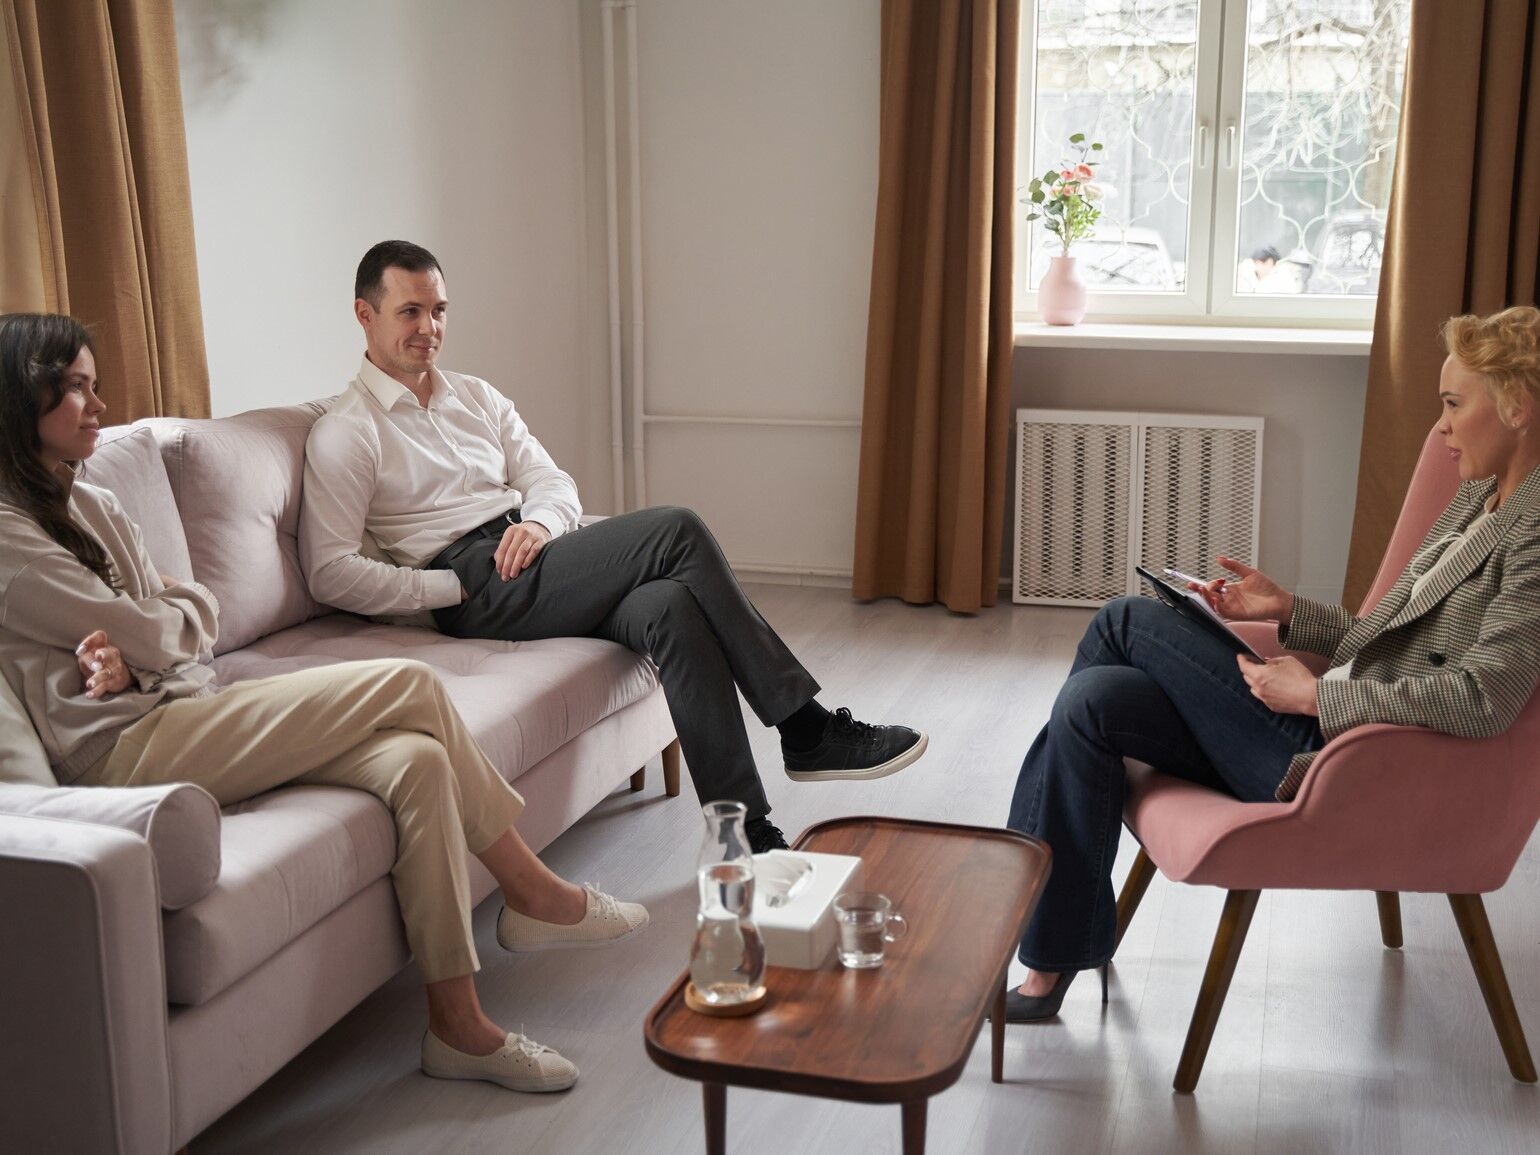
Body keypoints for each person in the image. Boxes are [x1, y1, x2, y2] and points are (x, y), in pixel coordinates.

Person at [0, 312, 652, 1094]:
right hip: (124, 752)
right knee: (411, 684)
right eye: (72, 388)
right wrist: (149, 635)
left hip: (176, 705)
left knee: (415, 760)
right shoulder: (7, 535)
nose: (96, 404)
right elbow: (164, 622)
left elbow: (186, 614)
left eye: (94, 384)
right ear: (17, 399)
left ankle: (459, 1028)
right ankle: (533, 889)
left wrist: (142, 643)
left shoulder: (89, 499)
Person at [299, 240, 928, 853]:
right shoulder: (346, 433)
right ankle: (805, 727)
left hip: (535, 554)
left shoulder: (476, 396)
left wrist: (542, 524)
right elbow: (330, 573)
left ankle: (746, 838)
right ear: (365, 314)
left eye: (438, 310)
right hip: (473, 585)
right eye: (410, 311)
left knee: (670, 609)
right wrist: (450, 588)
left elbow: (551, 480)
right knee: (675, 527)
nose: (429, 328)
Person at [1002, 305, 1540, 1021]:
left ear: (1517, 406)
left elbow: (1484, 698)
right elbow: (1380, 639)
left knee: (1121, 619)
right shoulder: (1477, 499)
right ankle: (1048, 960)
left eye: (1452, 403)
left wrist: (1318, 700)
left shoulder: (1532, 531)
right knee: (1091, 701)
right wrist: (1285, 610)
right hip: (1319, 721)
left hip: (1342, 757)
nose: (1441, 426)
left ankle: (1006, 908)